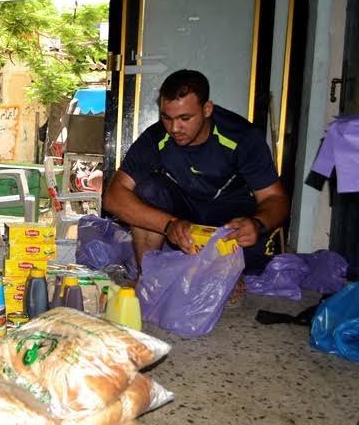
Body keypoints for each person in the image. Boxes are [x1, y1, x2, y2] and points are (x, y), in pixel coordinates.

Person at [102, 69, 290, 274]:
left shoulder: (242, 137)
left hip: (231, 221)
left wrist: (257, 224)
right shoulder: (156, 138)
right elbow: (113, 198)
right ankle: (149, 277)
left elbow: (275, 199)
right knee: (147, 189)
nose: (174, 128)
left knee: (247, 270)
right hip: (184, 221)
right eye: (167, 117)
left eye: (185, 118)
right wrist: (168, 225)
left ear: (207, 109)